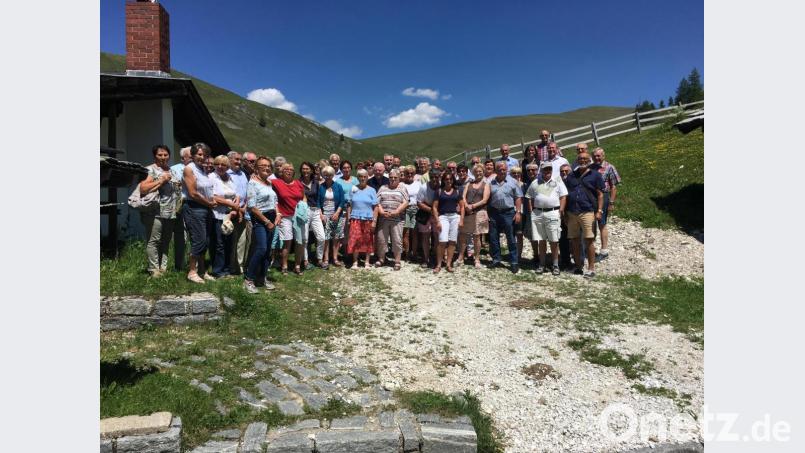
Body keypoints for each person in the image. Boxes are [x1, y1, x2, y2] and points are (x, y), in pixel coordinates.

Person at [139, 145, 180, 277]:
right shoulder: (150, 169)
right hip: (155, 211)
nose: (163, 157)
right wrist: (161, 180)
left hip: (170, 211)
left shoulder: (171, 171)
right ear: (154, 156)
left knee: (166, 240)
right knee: (154, 240)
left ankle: (163, 268)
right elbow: (143, 188)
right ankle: (153, 269)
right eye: (160, 155)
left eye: (165, 155)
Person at [564, 151, 605, 278]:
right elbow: (565, 194)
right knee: (574, 240)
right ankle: (578, 266)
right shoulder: (571, 176)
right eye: (580, 159)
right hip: (572, 212)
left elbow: (600, 194)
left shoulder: (595, 175)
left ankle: (591, 268)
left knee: (589, 240)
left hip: (587, 211)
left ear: (589, 161)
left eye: (585, 159)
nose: (582, 161)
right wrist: (564, 211)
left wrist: (599, 211)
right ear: (577, 161)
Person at [181, 142, 217, 283]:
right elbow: (193, 193)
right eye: (200, 154)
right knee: (199, 240)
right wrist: (209, 203)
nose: (202, 157)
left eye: (205, 155)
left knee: (206, 241)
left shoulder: (202, 170)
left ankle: (202, 271)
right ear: (193, 155)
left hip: (205, 209)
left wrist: (210, 202)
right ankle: (192, 271)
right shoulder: (189, 169)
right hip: (194, 207)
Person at [525, 162, 567, 275]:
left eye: (549, 169)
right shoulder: (535, 182)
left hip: (553, 212)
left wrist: (561, 210)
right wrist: (531, 211)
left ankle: (555, 265)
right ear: (541, 170)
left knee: (554, 240)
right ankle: (542, 264)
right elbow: (529, 197)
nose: (547, 171)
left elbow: (563, 196)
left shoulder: (557, 181)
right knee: (541, 240)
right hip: (538, 213)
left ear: (552, 170)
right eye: (545, 169)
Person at [243, 156, 278, 293]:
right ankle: (249, 279)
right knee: (261, 248)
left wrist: (278, 214)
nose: (267, 168)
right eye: (263, 165)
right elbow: (252, 206)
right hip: (260, 218)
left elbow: (274, 201)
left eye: (269, 166)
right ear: (256, 168)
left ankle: (262, 277)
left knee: (268, 250)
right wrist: (266, 221)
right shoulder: (252, 183)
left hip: (272, 217)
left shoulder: (269, 183)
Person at [487, 161, 523, 274]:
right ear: (495, 171)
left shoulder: (513, 182)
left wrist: (518, 212)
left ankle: (514, 262)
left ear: (506, 170)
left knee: (511, 238)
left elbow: (518, 197)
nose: (502, 171)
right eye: (499, 169)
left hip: (508, 212)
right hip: (494, 212)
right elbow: (488, 198)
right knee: (493, 237)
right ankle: (496, 259)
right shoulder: (491, 182)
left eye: (504, 169)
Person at [209, 155, 241, 278]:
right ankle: (218, 270)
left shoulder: (230, 178)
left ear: (228, 167)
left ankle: (227, 269)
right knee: (219, 244)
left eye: (224, 165)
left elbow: (236, 194)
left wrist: (236, 206)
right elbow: (213, 196)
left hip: (230, 215)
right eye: (218, 164)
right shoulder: (212, 177)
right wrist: (229, 203)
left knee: (229, 243)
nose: (220, 167)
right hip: (218, 214)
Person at [272, 163, 306, 275]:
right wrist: (254, 175)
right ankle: (285, 265)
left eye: (291, 169)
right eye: (286, 169)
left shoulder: (298, 183)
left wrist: (304, 206)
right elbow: (264, 182)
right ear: (282, 171)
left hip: (298, 216)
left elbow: (303, 196)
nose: (289, 171)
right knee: (287, 241)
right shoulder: (276, 182)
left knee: (300, 241)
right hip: (285, 216)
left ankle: (297, 265)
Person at [457, 163, 490, 268]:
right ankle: (461, 256)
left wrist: (472, 206)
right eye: (476, 171)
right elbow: (463, 196)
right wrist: (466, 205)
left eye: (480, 171)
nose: (478, 173)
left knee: (477, 236)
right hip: (467, 211)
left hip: (479, 212)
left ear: (483, 172)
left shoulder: (486, 185)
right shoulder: (469, 184)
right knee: (463, 234)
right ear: (473, 173)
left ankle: (477, 259)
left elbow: (485, 200)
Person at [591, 147, 621, 259]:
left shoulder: (609, 167)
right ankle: (590, 248)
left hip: (604, 197)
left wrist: (611, 202)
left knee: (602, 223)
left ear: (603, 156)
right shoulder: (590, 167)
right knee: (591, 223)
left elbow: (613, 187)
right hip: (591, 197)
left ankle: (604, 250)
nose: (596, 158)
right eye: (594, 156)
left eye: (598, 156)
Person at [375, 169, 409, 270]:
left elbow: (406, 201)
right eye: (391, 178)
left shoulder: (402, 188)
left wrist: (397, 211)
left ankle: (397, 261)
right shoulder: (383, 187)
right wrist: (381, 211)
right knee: (381, 239)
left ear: (399, 178)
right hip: (383, 218)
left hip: (397, 219)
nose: (393, 180)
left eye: (395, 178)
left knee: (397, 240)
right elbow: (377, 201)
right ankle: (381, 259)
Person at [432, 170, 464, 273]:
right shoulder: (439, 191)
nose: (448, 181)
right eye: (446, 179)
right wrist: (437, 221)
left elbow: (462, 206)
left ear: (453, 180)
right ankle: (438, 264)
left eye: (450, 179)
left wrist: (461, 219)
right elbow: (434, 207)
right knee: (442, 241)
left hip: (454, 217)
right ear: (443, 180)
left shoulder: (457, 191)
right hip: (443, 217)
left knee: (452, 241)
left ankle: (449, 264)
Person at [347, 169, 378, 269]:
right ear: (358, 178)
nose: (363, 178)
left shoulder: (372, 190)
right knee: (355, 239)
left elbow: (376, 206)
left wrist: (374, 221)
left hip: (368, 218)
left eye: (365, 176)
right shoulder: (353, 189)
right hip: (355, 218)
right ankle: (355, 262)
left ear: (367, 177)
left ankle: (367, 262)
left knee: (368, 239)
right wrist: (348, 217)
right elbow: (349, 204)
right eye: (360, 176)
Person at [298, 161, 326, 269]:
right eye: (303, 169)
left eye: (307, 169)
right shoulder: (298, 182)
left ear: (311, 170)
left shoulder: (315, 182)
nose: (305, 171)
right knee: (305, 238)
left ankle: (319, 259)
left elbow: (318, 198)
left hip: (315, 211)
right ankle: (305, 261)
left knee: (321, 237)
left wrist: (320, 211)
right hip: (304, 211)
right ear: (301, 170)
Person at [227, 151, 250, 275]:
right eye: (236, 159)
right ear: (229, 160)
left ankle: (239, 266)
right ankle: (231, 266)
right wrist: (238, 209)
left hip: (244, 210)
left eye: (240, 160)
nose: (239, 162)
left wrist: (245, 207)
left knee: (242, 241)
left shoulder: (242, 174)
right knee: (232, 241)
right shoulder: (226, 173)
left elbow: (246, 193)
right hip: (232, 211)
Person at [318, 166, 346, 269]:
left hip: (337, 215)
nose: (328, 177)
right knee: (326, 238)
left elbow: (342, 201)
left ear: (333, 175)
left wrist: (337, 213)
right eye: (326, 175)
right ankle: (325, 259)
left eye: (330, 175)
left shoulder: (338, 186)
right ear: (323, 175)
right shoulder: (321, 187)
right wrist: (321, 214)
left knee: (336, 238)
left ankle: (335, 258)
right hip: (325, 215)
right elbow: (317, 202)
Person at [169, 146, 192, 271]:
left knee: (196, 236)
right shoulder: (175, 169)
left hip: (195, 205)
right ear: (183, 158)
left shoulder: (198, 169)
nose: (194, 157)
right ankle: (180, 265)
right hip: (181, 205)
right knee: (181, 237)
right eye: (191, 156)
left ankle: (195, 265)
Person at [417, 169, 442, 267]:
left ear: (439, 177)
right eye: (432, 177)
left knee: (437, 237)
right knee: (425, 237)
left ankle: (436, 257)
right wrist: (431, 210)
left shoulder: (441, 187)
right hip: (426, 213)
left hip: (438, 214)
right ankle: (425, 258)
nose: (434, 179)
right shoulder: (423, 187)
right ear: (429, 177)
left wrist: (436, 212)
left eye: (436, 177)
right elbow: (419, 202)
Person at [401, 165, 423, 262]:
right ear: (404, 174)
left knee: (415, 233)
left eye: (411, 173)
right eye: (407, 173)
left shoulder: (418, 184)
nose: (409, 175)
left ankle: (414, 253)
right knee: (405, 233)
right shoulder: (401, 184)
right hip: (405, 209)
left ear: (414, 174)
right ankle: (406, 253)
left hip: (416, 209)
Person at [509, 166, 527, 263]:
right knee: (511, 234)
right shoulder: (508, 184)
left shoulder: (524, 185)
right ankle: (512, 253)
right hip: (510, 210)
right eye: (514, 173)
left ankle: (519, 255)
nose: (516, 175)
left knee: (519, 234)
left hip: (521, 211)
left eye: (518, 173)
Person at [558, 164, 574, 270]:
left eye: (566, 171)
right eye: (562, 171)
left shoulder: (575, 182)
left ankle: (578, 260)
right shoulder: (558, 184)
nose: (564, 173)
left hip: (573, 213)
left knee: (575, 238)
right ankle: (565, 260)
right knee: (563, 238)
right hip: (562, 213)